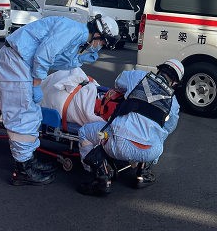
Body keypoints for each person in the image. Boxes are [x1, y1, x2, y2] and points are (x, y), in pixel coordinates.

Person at [0, 14, 119, 186]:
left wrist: (79, 59)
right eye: (102, 43)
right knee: (22, 115)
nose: (100, 47)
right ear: (97, 35)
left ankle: (28, 160)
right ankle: (22, 170)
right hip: (16, 61)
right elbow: (44, 55)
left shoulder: (77, 35)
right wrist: (37, 84)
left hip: (21, 62)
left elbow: (58, 59)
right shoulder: (73, 30)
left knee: (33, 114)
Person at [77, 58, 184, 196]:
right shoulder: (174, 104)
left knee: (85, 132)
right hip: (150, 152)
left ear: (159, 70)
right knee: (158, 136)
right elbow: (168, 129)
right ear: (175, 83)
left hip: (120, 145)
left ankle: (102, 176)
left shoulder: (138, 76)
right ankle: (143, 173)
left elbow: (118, 82)